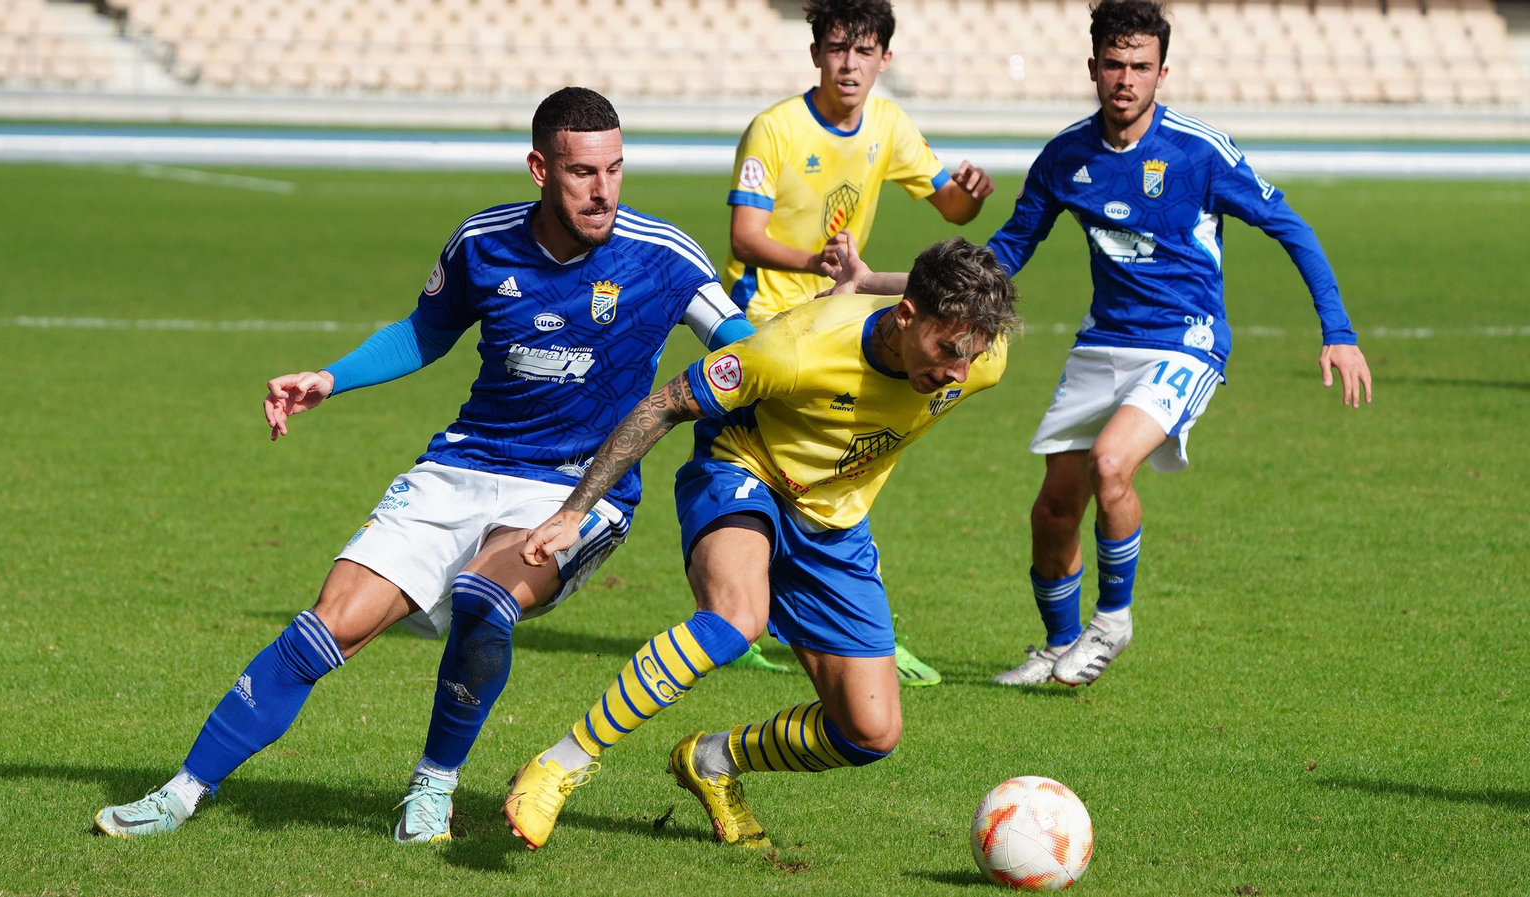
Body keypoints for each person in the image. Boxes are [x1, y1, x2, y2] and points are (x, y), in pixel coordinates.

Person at [92, 87, 755, 843]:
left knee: (482, 598)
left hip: (574, 489)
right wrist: (332, 378)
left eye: (614, 169)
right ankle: (179, 794)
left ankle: (433, 786)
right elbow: (424, 333)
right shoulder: (482, 243)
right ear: (540, 168)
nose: (603, 190)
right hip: (463, 465)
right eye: (581, 172)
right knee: (327, 625)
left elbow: (748, 350)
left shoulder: (664, 256)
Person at [834, 0, 1373, 688]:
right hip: (1102, 342)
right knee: (1054, 509)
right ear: (1093, 67)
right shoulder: (1067, 157)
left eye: (1141, 67)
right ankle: (1059, 646)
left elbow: (1290, 226)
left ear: (1162, 72)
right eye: (1115, 64)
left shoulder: (1199, 152)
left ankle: (1112, 621)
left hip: (1186, 342)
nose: (1126, 79)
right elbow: (997, 261)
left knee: (1112, 464)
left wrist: (1338, 332)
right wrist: (872, 281)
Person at [502, 237, 1020, 850]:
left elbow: (942, 300)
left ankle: (713, 760)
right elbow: (663, 406)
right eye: (948, 351)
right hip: (742, 470)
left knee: (869, 732)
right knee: (736, 618)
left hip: (834, 518)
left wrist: (866, 277)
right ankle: (560, 763)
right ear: (907, 317)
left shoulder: (981, 354)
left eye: (971, 355)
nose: (957, 373)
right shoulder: (795, 347)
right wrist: (574, 512)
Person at [721, 0, 995, 686]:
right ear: (816, 53)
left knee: (850, 469)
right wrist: (816, 264)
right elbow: (744, 237)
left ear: (885, 59)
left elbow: (953, 209)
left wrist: (972, 193)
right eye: (838, 48)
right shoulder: (775, 128)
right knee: (768, 470)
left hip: (839, 314)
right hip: (763, 315)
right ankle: (742, 609)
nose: (850, 64)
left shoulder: (890, 124)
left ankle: (851, 627)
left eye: (864, 51)